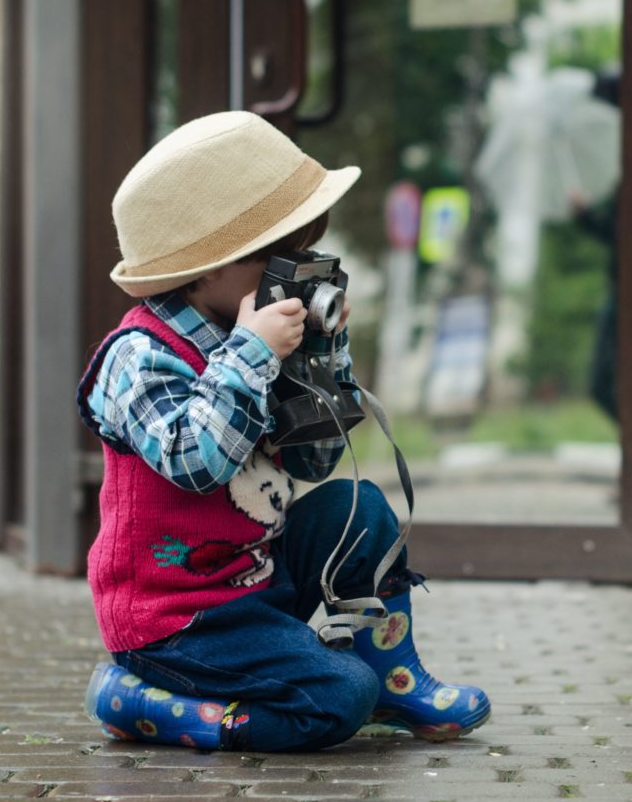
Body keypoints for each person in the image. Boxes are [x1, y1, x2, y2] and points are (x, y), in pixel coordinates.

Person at [77, 111, 489, 752]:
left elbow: (317, 462)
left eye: (303, 252)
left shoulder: (259, 338)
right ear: (207, 266)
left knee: (361, 506)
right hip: (176, 620)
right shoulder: (138, 356)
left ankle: (393, 675)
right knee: (336, 697)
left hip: (255, 581)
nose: (293, 273)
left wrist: (323, 353)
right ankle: (148, 704)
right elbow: (196, 463)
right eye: (280, 257)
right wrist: (251, 354)